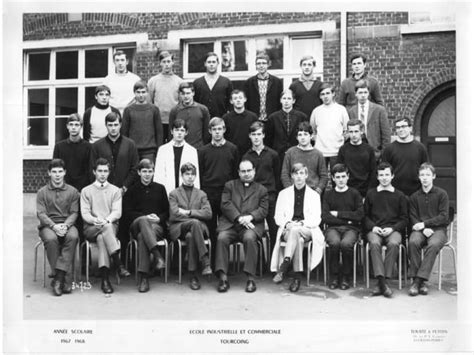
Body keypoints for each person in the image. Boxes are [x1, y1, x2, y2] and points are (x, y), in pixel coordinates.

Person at [214, 160, 269, 293]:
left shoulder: (262, 189)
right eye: (243, 171)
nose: (246, 174)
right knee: (222, 238)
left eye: (249, 171)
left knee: (250, 238)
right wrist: (239, 218)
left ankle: (251, 278)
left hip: (251, 225)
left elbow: (263, 209)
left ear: (254, 171)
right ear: (238, 172)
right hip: (231, 224)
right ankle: (223, 278)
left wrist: (250, 217)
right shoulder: (230, 186)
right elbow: (225, 204)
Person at [270, 163, 325, 292]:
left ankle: (284, 265)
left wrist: (300, 224)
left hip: (307, 229)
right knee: (297, 239)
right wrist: (287, 224)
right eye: (296, 174)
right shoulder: (283, 194)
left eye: (302, 173)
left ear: (306, 175)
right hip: (288, 230)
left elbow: (316, 219)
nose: (299, 177)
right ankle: (297, 277)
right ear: (292, 176)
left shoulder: (314, 195)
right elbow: (278, 216)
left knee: (297, 231)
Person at [122, 159, 169, 293]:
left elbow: (167, 211)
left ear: (153, 172)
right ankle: (157, 256)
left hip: (155, 227)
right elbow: (127, 212)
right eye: (144, 171)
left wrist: (159, 218)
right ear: (138, 172)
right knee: (143, 221)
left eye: (150, 171)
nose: (147, 174)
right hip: (136, 224)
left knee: (143, 236)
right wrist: (145, 218)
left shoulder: (160, 189)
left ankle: (144, 278)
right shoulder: (132, 190)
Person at [198, 117, 239, 266]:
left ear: (224, 130)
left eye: (220, 129)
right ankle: (210, 263)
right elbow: (201, 174)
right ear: (209, 131)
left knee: (224, 229)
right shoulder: (203, 151)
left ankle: (223, 264)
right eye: (214, 129)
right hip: (209, 193)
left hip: (226, 194)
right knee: (210, 229)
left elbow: (235, 174)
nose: (217, 132)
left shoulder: (232, 149)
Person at [364, 162, 408, 298]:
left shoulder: (400, 196)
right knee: (374, 243)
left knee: (394, 243)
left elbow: (405, 219)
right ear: (377, 177)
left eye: (387, 175)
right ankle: (383, 283)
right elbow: (364, 216)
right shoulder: (371, 194)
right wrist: (373, 227)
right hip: (375, 230)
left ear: (392, 176)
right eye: (381, 175)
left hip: (393, 230)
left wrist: (393, 228)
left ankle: (383, 281)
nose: (384, 178)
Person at [36, 159, 80, 296]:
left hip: (67, 224)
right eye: (54, 172)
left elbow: (74, 213)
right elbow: (41, 213)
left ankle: (58, 278)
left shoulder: (73, 191)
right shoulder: (42, 192)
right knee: (51, 239)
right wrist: (54, 226)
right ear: (49, 173)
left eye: (60, 171)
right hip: (48, 226)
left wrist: (65, 225)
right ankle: (63, 279)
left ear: (65, 172)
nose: (57, 175)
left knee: (73, 236)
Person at [407, 163, 450, 296]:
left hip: (438, 230)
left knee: (433, 244)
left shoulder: (442, 194)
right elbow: (412, 217)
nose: (425, 178)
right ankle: (420, 281)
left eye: (427, 175)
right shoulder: (414, 197)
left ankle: (418, 281)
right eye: (422, 175)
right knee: (413, 242)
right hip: (420, 231)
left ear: (434, 176)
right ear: (419, 177)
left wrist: (425, 224)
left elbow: (444, 217)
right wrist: (421, 228)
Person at [81, 158, 122, 294]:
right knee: (104, 230)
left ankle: (105, 280)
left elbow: (117, 212)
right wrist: (95, 220)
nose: (103, 174)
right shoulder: (86, 191)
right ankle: (118, 263)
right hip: (91, 227)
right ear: (94, 172)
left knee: (102, 238)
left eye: (105, 171)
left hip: (109, 226)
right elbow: (85, 213)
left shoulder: (115, 191)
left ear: (109, 172)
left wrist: (107, 220)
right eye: (100, 171)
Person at [169, 163, 213, 290]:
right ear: (182, 176)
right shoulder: (174, 194)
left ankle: (193, 275)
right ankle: (205, 260)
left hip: (197, 229)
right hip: (179, 227)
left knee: (190, 236)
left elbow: (208, 213)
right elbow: (174, 215)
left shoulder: (201, 194)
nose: (190, 177)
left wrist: (189, 212)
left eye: (192, 174)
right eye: (187, 174)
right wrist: (196, 216)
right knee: (194, 223)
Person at [322, 164, 364, 290]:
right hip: (332, 229)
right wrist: (348, 219)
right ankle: (334, 276)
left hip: (351, 229)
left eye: (343, 176)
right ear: (333, 179)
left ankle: (346, 276)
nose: (341, 179)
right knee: (334, 243)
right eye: (337, 177)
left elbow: (360, 215)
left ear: (348, 177)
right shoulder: (328, 195)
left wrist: (339, 214)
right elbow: (325, 216)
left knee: (346, 244)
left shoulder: (354, 193)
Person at [242, 121, 280, 251]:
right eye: (253, 134)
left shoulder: (273, 155)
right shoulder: (246, 156)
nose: (256, 137)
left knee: (274, 230)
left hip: (270, 196)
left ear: (263, 135)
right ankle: (259, 264)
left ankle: (273, 264)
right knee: (255, 230)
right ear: (249, 136)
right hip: (254, 197)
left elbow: (277, 176)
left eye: (259, 134)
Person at [91, 111, 139, 196]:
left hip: (125, 192)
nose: (113, 128)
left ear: (120, 125)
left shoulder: (130, 144)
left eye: (116, 125)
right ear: (106, 125)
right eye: (110, 125)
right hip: (102, 192)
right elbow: (92, 168)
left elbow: (134, 168)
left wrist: (125, 186)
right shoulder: (97, 146)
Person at [381, 117, 429, 196]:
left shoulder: (420, 148)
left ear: (410, 128)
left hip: (416, 193)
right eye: (398, 127)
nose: (401, 129)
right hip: (394, 193)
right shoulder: (389, 149)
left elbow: (426, 170)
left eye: (403, 126)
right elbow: (384, 172)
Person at [154, 118, 200, 196]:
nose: (179, 133)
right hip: (166, 191)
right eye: (177, 130)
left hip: (186, 194)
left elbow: (195, 175)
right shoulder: (163, 150)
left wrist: (195, 195)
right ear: (172, 131)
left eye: (182, 130)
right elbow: (159, 175)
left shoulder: (192, 151)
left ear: (186, 132)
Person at [347, 80, 391, 160]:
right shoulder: (351, 111)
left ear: (368, 93)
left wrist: (383, 154)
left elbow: (386, 134)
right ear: (356, 94)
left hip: (375, 152)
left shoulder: (379, 110)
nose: (363, 95)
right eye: (360, 93)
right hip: (357, 152)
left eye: (365, 92)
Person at [281, 122, 328, 195]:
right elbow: (285, 174)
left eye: (305, 134)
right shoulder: (290, 153)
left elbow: (324, 176)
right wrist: (289, 190)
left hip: (312, 191)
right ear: (297, 137)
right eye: (300, 135)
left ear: (311, 136)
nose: (303, 137)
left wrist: (318, 191)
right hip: (294, 191)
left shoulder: (318, 154)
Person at [310, 83, 349, 170]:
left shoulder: (341, 110)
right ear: (320, 96)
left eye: (328, 93)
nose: (325, 96)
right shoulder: (316, 111)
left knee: (336, 177)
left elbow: (346, 130)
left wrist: (339, 141)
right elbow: (313, 130)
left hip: (336, 152)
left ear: (333, 94)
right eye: (322, 94)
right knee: (321, 178)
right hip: (320, 152)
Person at [121, 80, 163, 162]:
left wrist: (159, 150)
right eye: (138, 92)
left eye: (143, 92)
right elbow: (124, 132)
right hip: (133, 150)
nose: (141, 95)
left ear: (147, 93)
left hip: (150, 151)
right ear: (134, 93)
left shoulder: (154, 109)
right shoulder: (128, 110)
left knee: (148, 173)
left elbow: (159, 132)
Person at [147, 50, 184, 140]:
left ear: (172, 62)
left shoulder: (179, 81)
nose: (166, 64)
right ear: (160, 63)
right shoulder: (153, 81)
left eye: (168, 61)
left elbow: (181, 103)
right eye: (164, 62)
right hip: (158, 120)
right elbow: (149, 102)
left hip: (174, 120)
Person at [265, 89, 308, 164]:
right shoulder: (273, 118)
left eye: (289, 98)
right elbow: (269, 139)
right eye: (284, 98)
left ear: (293, 101)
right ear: (280, 100)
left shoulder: (301, 117)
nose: (286, 101)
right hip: (278, 154)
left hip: (298, 153)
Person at [336, 119, 377, 197]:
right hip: (347, 190)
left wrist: (369, 192)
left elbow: (373, 172)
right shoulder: (343, 150)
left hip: (365, 190)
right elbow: (339, 170)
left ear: (361, 131)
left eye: (356, 131)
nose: (353, 135)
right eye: (351, 132)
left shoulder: (369, 149)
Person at [53, 113, 92, 192]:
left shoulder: (89, 147)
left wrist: (83, 189)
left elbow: (89, 171)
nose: (73, 127)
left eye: (77, 125)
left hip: (83, 189)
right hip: (64, 189)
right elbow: (55, 169)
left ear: (81, 127)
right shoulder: (59, 147)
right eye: (71, 124)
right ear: (67, 126)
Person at [168, 82, 210, 149]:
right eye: (183, 94)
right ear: (180, 95)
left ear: (193, 93)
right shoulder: (175, 111)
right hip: (181, 147)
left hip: (198, 148)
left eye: (188, 93)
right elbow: (171, 133)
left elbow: (206, 132)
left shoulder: (203, 109)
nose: (186, 96)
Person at [243, 54, 283, 122]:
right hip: (254, 120)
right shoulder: (249, 82)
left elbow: (279, 103)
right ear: (256, 65)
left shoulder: (277, 82)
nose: (261, 66)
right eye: (258, 63)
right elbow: (246, 103)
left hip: (272, 119)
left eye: (264, 63)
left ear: (268, 64)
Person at [193, 52, 233, 118]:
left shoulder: (226, 82)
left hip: (221, 119)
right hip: (202, 119)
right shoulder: (197, 83)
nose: (211, 64)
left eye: (214, 62)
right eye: (209, 62)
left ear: (218, 63)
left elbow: (230, 103)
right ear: (205, 64)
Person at [103, 50, 141, 115]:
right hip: (113, 114)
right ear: (114, 62)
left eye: (122, 60)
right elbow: (104, 98)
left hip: (131, 113)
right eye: (117, 60)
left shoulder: (135, 79)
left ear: (127, 62)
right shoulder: (107, 80)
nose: (120, 63)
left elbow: (138, 98)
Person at [223, 89, 258, 156]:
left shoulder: (253, 117)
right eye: (235, 98)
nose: (238, 100)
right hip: (231, 153)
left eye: (240, 98)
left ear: (245, 99)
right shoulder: (226, 118)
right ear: (231, 101)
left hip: (249, 153)